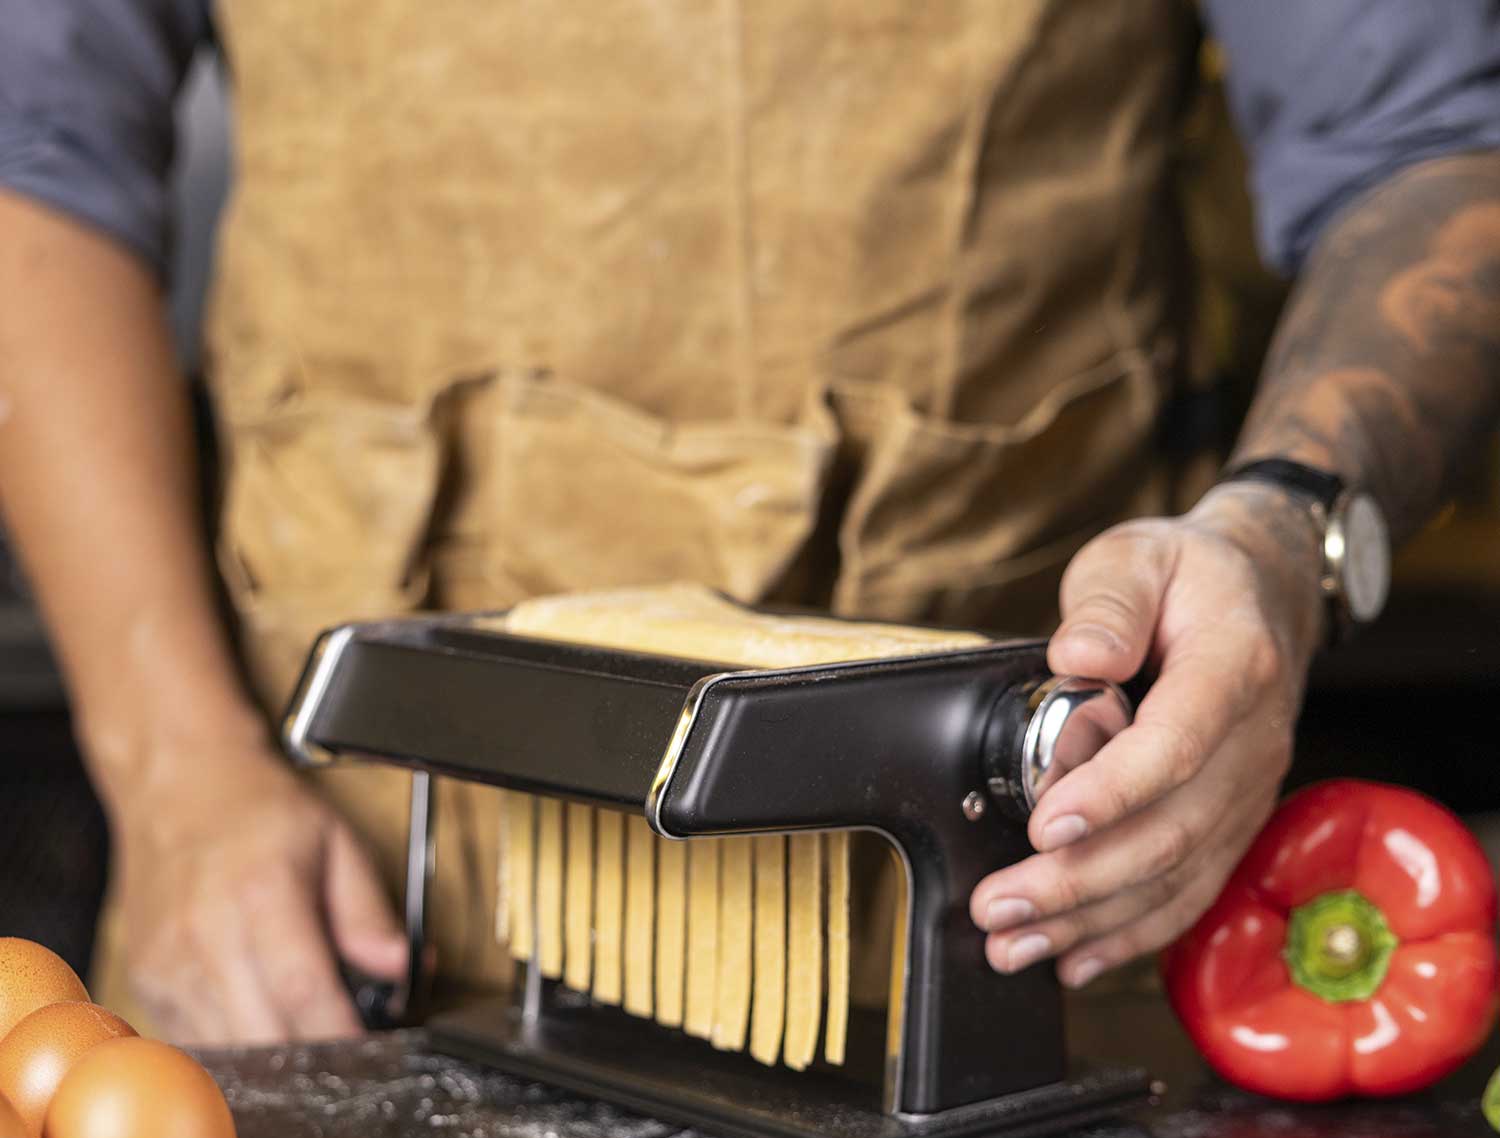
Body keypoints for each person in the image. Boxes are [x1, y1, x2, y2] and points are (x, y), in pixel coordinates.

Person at [0, 2, 1497, 1045]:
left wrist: (1283, 534)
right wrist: (176, 770)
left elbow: (1432, 146)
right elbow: (34, 159)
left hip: (996, 914)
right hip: (333, 895)